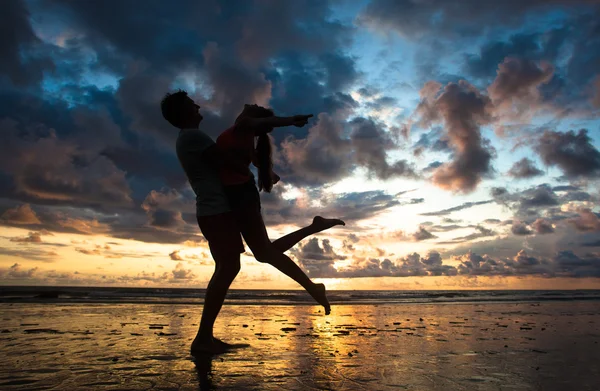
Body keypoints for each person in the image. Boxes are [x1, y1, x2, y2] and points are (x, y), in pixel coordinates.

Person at [161, 91, 344, 355]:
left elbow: (235, 153)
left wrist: (260, 165)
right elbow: (229, 160)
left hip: (219, 209)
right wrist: (262, 162)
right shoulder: (193, 137)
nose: (198, 105)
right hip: (216, 210)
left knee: (247, 259)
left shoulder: (198, 137)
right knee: (239, 263)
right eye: (192, 104)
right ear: (183, 112)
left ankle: (204, 338)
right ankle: (203, 339)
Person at [216, 104, 344, 318]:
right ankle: (315, 231)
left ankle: (312, 285)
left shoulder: (244, 127)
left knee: (265, 253)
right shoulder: (246, 136)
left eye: (256, 108)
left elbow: (264, 124)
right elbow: (254, 159)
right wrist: (270, 172)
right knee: (265, 253)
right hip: (238, 196)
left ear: (254, 119)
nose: (254, 104)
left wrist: (292, 119)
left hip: (241, 197)